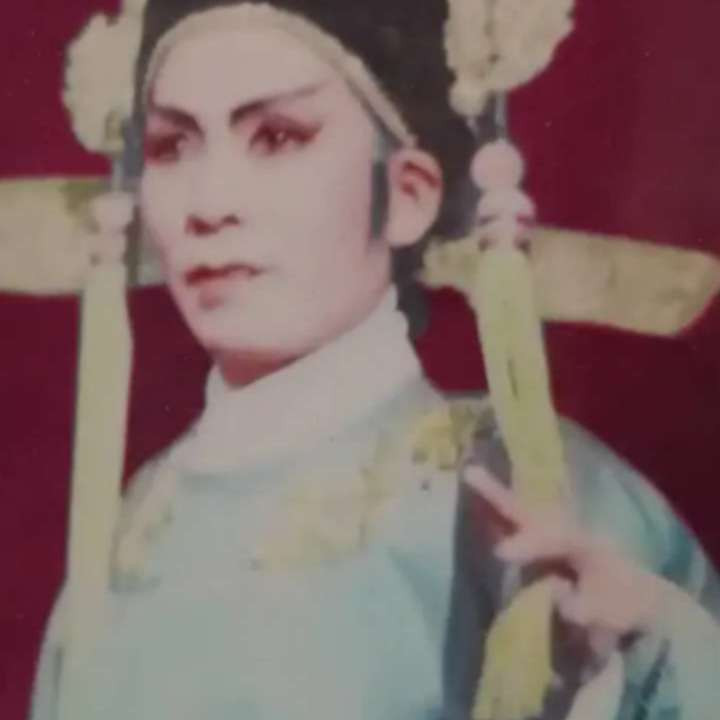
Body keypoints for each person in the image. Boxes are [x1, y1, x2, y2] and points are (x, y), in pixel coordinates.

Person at [31, 1, 720, 719]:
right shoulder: (139, 519)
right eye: (173, 146)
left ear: (408, 195)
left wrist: (646, 654)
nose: (209, 204)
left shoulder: (522, 480)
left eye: (277, 137)